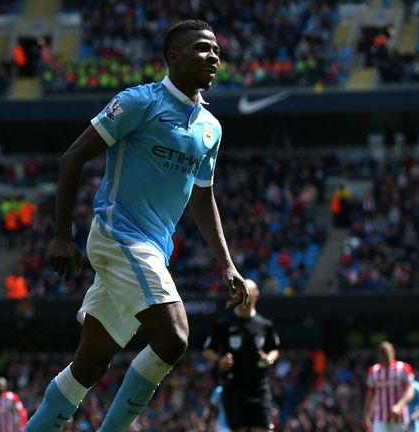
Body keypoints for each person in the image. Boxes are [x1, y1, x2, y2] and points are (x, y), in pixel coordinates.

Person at [25, 19, 249, 432]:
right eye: (202, 48)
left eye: (217, 49)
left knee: (88, 365)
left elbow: (203, 197)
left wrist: (227, 263)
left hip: (153, 249)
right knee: (174, 336)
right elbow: (73, 157)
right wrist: (61, 235)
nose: (214, 56)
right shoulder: (138, 103)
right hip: (119, 235)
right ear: (173, 57)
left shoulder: (210, 128)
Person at [202, 280, 280, 432]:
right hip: (233, 388)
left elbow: (274, 349)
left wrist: (269, 358)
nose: (243, 296)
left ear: (256, 295)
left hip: (259, 388)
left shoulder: (265, 325)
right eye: (240, 292)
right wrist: (219, 361)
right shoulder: (224, 324)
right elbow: (207, 350)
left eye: (247, 292)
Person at [364, 341, 415, 432]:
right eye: (383, 354)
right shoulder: (373, 371)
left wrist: (399, 405)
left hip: (400, 417)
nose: (386, 357)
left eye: (387, 353)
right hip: (380, 418)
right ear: (379, 355)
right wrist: (367, 416)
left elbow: (410, 391)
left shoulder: (403, 368)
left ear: (393, 352)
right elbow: (369, 396)